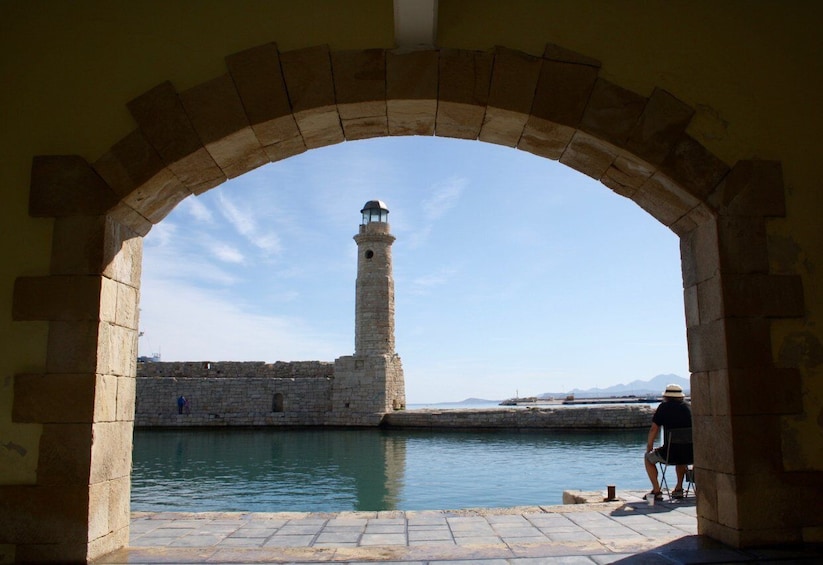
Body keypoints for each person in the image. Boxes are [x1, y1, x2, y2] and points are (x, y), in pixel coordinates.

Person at [644, 384, 692, 500]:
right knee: (681, 457)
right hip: (691, 455)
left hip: (669, 454)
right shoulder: (689, 407)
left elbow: (654, 429)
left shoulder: (664, 407)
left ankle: (656, 490)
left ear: (666, 396)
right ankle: (679, 488)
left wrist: (649, 446)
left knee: (648, 458)